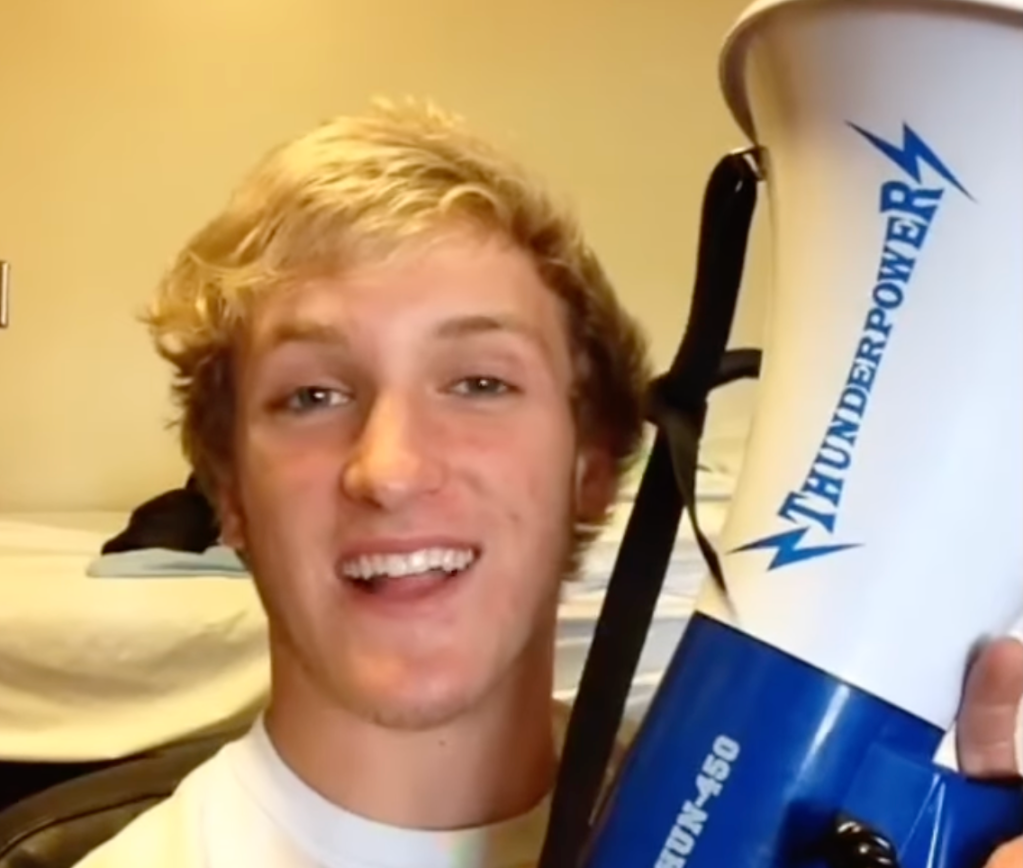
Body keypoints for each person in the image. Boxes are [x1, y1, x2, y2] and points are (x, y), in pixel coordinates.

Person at [74, 101, 1022, 868]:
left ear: (593, 471)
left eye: (478, 384)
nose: (390, 470)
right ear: (230, 497)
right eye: (312, 395)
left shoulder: (742, 818)